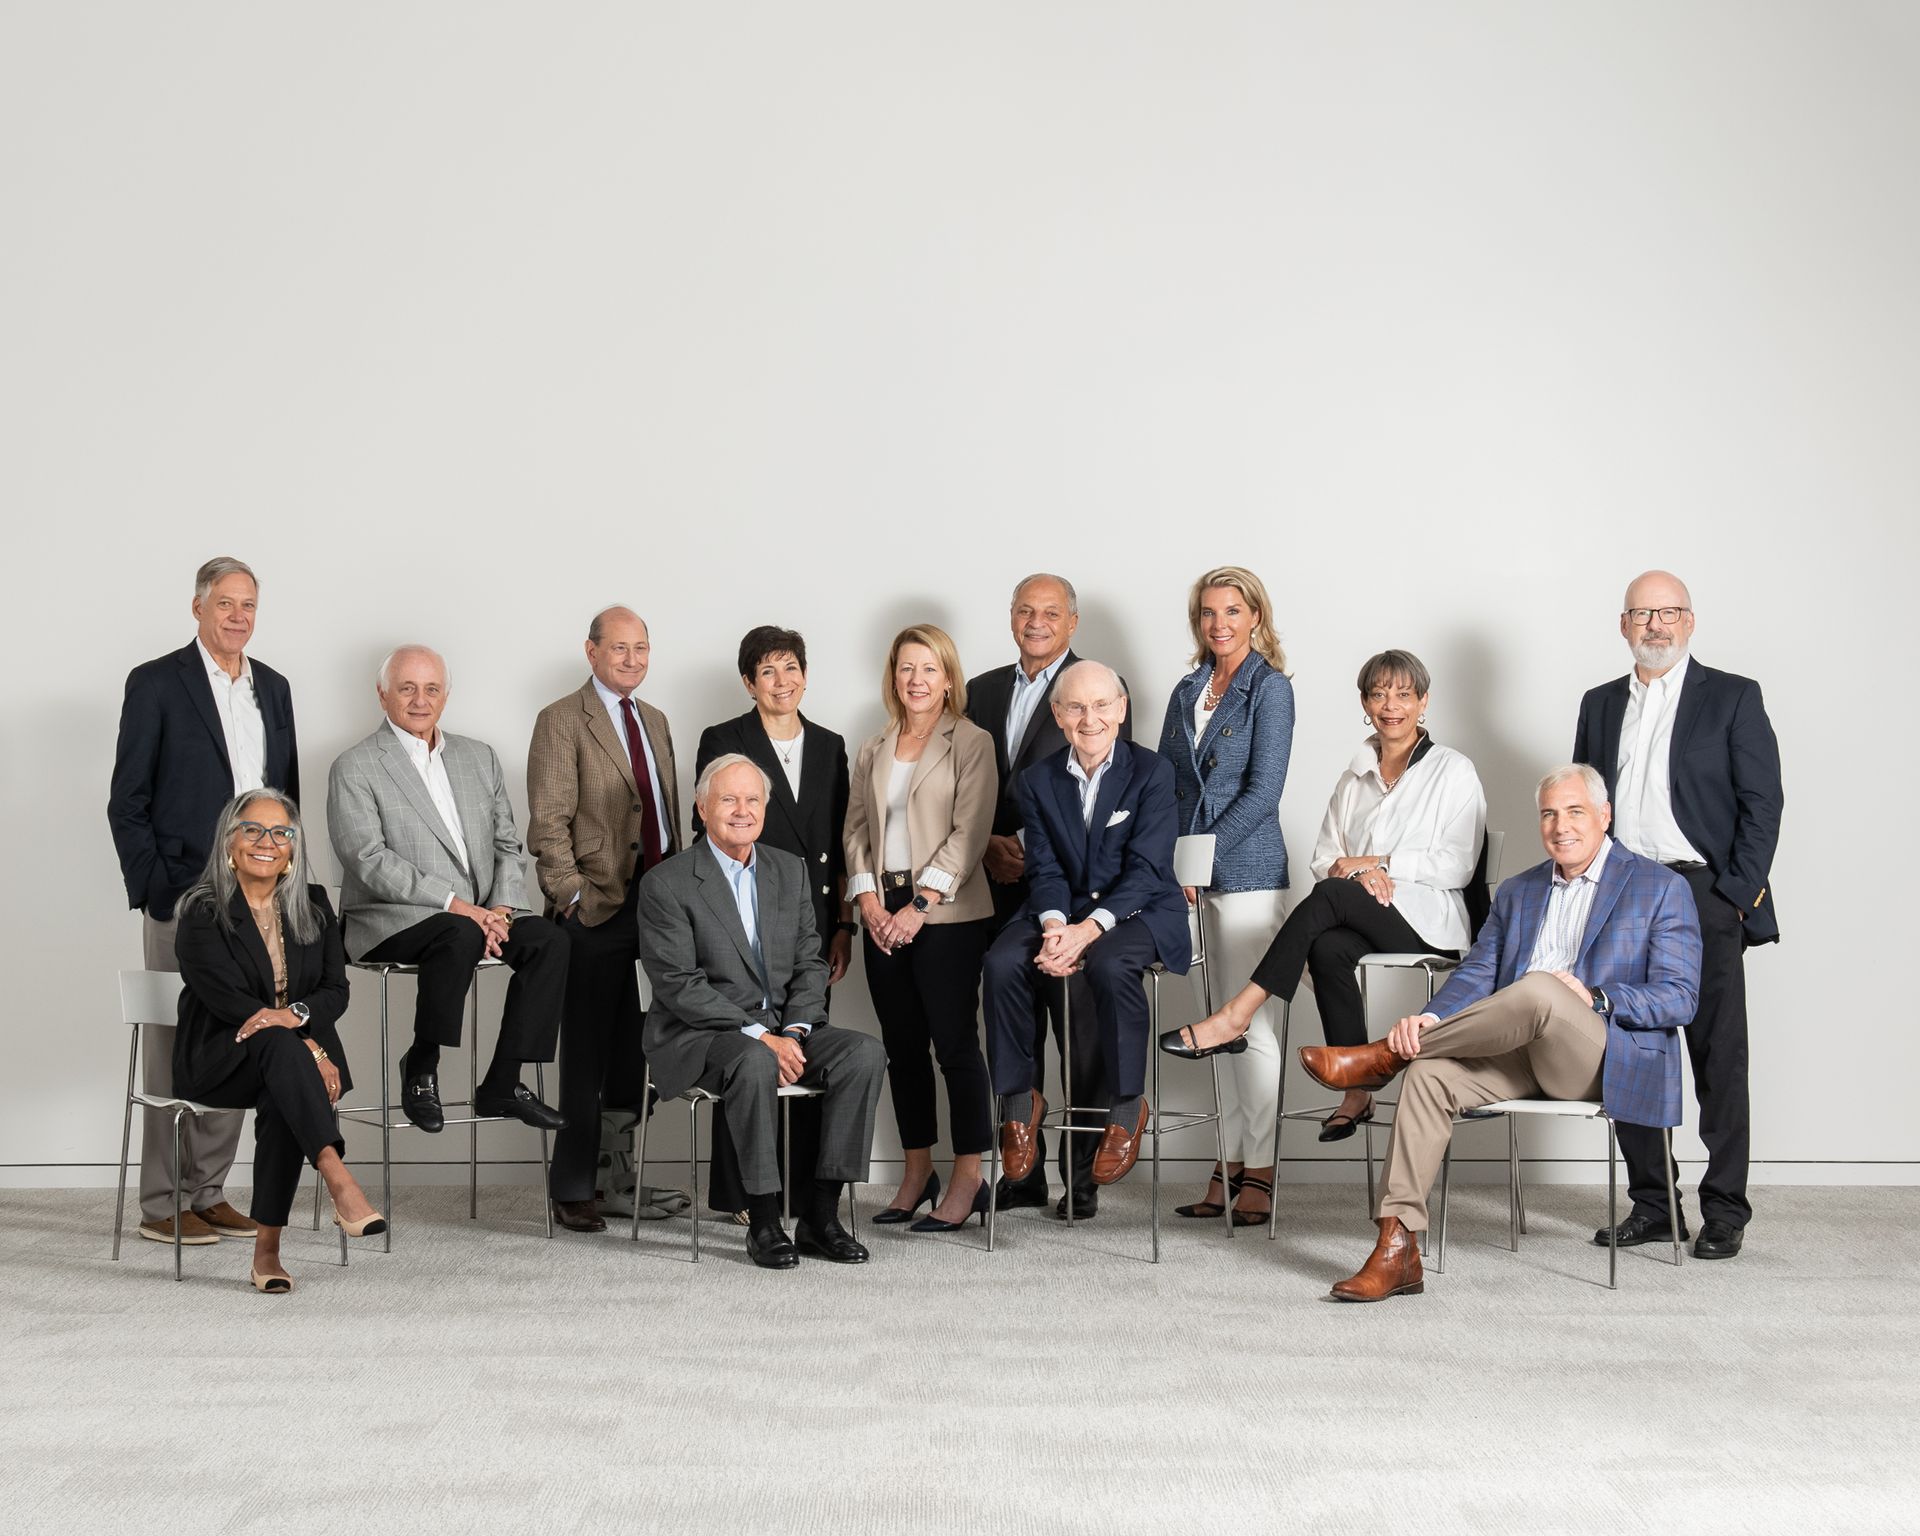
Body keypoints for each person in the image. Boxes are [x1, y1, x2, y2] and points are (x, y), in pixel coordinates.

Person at [1298, 765, 1702, 1302]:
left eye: (1575, 811)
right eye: (1549, 814)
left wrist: (1596, 997)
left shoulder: (1660, 887)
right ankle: (1397, 1248)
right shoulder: (1519, 890)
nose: (1561, 826)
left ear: (1605, 816)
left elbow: (1681, 997)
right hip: (1517, 1052)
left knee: (1541, 988)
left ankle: (1377, 1058)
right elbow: (1477, 974)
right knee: (1430, 1074)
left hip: (1599, 1057)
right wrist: (1432, 1020)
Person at [1162, 650, 1487, 1158]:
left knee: (1336, 895)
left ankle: (1236, 1016)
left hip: (1428, 921)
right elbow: (1324, 860)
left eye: (1404, 694)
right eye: (1378, 694)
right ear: (1364, 703)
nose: (1391, 706)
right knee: (1329, 946)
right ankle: (1358, 1090)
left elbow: (1458, 864)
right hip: (1363, 912)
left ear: (1424, 702)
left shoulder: (1453, 770)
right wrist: (1357, 871)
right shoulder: (1355, 774)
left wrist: (1378, 864)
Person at [1575, 570, 1783, 1261]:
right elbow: (1584, 806)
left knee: (1717, 1057)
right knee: (1629, 1050)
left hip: (1702, 895)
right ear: (1624, 623)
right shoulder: (1600, 704)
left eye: (1668, 613)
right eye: (1642, 613)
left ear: (1690, 621)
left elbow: (1764, 805)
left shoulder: (1731, 697)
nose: (1655, 625)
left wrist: (1735, 896)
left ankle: (1724, 1209)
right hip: (1624, 892)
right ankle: (1655, 1205)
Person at [108, 556, 299, 1248]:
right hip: (183, 896)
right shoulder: (158, 683)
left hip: (260, 893)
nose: (239, 616)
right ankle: (162, 1203)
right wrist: (158, 890)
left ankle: (209, 1192)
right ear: (198, 608)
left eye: (249, 605)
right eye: (226, 604)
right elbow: (127, 801)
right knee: (170, 1043)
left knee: (245, 1029)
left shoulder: (273, 688)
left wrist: (286, 880)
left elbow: (288, 797)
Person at [639, 755, 888, 1270]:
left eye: (753, 799)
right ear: (702, 806)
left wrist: (794, 1030)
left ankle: (821, 1216)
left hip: (784, 1028)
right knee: (753, 1061)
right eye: (728, 799)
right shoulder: (667, 883)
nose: (742, 810)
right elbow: (679, 986)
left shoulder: (787, 869)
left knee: (863, 1054)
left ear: (766, 808)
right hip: (701, 1034)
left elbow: (808, 961)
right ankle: (765, 1218)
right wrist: (760, 1036)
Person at [328, 645, 568, 1135]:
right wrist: (462, 908)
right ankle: (420, 1065)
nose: (421, 699)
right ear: (383, 694)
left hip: (480, 911)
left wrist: (499, 909)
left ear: (446, 694)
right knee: (457, 934)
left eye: (431, 688)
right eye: (407, 688)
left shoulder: (478, 757)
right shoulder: (354, 766)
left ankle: (503, 1080)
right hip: (389, 916)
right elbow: (367, 859)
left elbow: (506, 841)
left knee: (550, 940)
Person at [987, 661, 1192, 1195]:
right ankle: (1017, 1101)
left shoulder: (1152, 772)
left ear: (1121, 710)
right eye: (1076, 706)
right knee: (1002, 960)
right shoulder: (1037, 780)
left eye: (1102, 705)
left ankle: (1126, 1104)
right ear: (1057, 715)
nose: (1090, 718)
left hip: (1142, 910)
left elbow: (1148, 871)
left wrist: (1087, 931)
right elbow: (1046, 868)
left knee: (1107, 962)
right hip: (1061, 907)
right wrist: (1057, 925)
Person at [171, 790, 385, 1293]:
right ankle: (337, 1176)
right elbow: (234, 1005)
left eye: (281, 833)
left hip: (279, 1064)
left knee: (283, 1087)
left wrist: (296, 1021)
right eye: (253, 829)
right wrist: (313, 1047)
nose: (267, 842)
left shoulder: (312, 903)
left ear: (293, 846)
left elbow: (336, 990)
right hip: (220, 1060)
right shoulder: (202, 910)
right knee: (283, 1056)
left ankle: (267, 1252)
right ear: (230, 840)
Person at [966, 572, 1132, 1216]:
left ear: (1073, 621)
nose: (1037, 621)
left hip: (1073, 887)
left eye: (1050, 612)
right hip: (992, 879)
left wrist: (1035, 853)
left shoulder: (1095, 688)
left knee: (1078, 1027)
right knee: (1009, 1015)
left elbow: (1105, 787)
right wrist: (985, 844)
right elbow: (965, 780)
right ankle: (1022, 1175)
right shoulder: (981, 689)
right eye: (1025, 610)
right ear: (1011, 617)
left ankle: (1081, 1180)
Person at [527, 606, 683, 1233]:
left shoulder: (656, 720)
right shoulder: (562, 719)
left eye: (641, 648)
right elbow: (548, 821)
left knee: (637, 1045)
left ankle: (617, 1177)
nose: (631, 659)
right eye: (619, 648)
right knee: (586, 1050)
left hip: (656, 904)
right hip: (593, 907)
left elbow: (662, 811)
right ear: (590, 652)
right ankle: (572, 1185)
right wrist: (569, 896)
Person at [844, 623, 998, 1232]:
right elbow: (856, 828)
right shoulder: (874, 746)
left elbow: (972, 830)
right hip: (883, 912)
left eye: (929, 669)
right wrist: (870, 904)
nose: (916, 680)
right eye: (907, 669)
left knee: (955, 1046)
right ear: (894, 677)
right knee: (902, 1049)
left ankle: (968, 1178)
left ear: (949, 678)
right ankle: (915, 1173)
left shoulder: (972, 741)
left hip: (949, 913)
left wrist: (920, 907)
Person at [695, 625, 853, 1218]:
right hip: (740, 918)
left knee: (804, 1047)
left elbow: (840, 843)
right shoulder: (724, 737)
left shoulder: (831, 743)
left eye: (791, 668)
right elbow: (713, 826)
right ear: (748, 683)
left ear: (806, 676)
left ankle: (803, 1193)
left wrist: (843, 926)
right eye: (767, 671)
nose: (782, 681)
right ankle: (741, 1193)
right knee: (745, 1050)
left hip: (807, 926)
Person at [1157, 565, 1295, 1226]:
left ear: (1256, 617)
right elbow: (1163, 780)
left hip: (1248, 874)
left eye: (1232, 611)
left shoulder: (1271, 690)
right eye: (1209, 613)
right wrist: (1173, 859)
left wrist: (1201, 857)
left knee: (1251, 1027)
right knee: (1215, 1024)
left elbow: (1263, 792)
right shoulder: (1188, 687)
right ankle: (1229, 1161)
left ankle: (1260, 1171)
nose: (1220, 624)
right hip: (1188, 874)